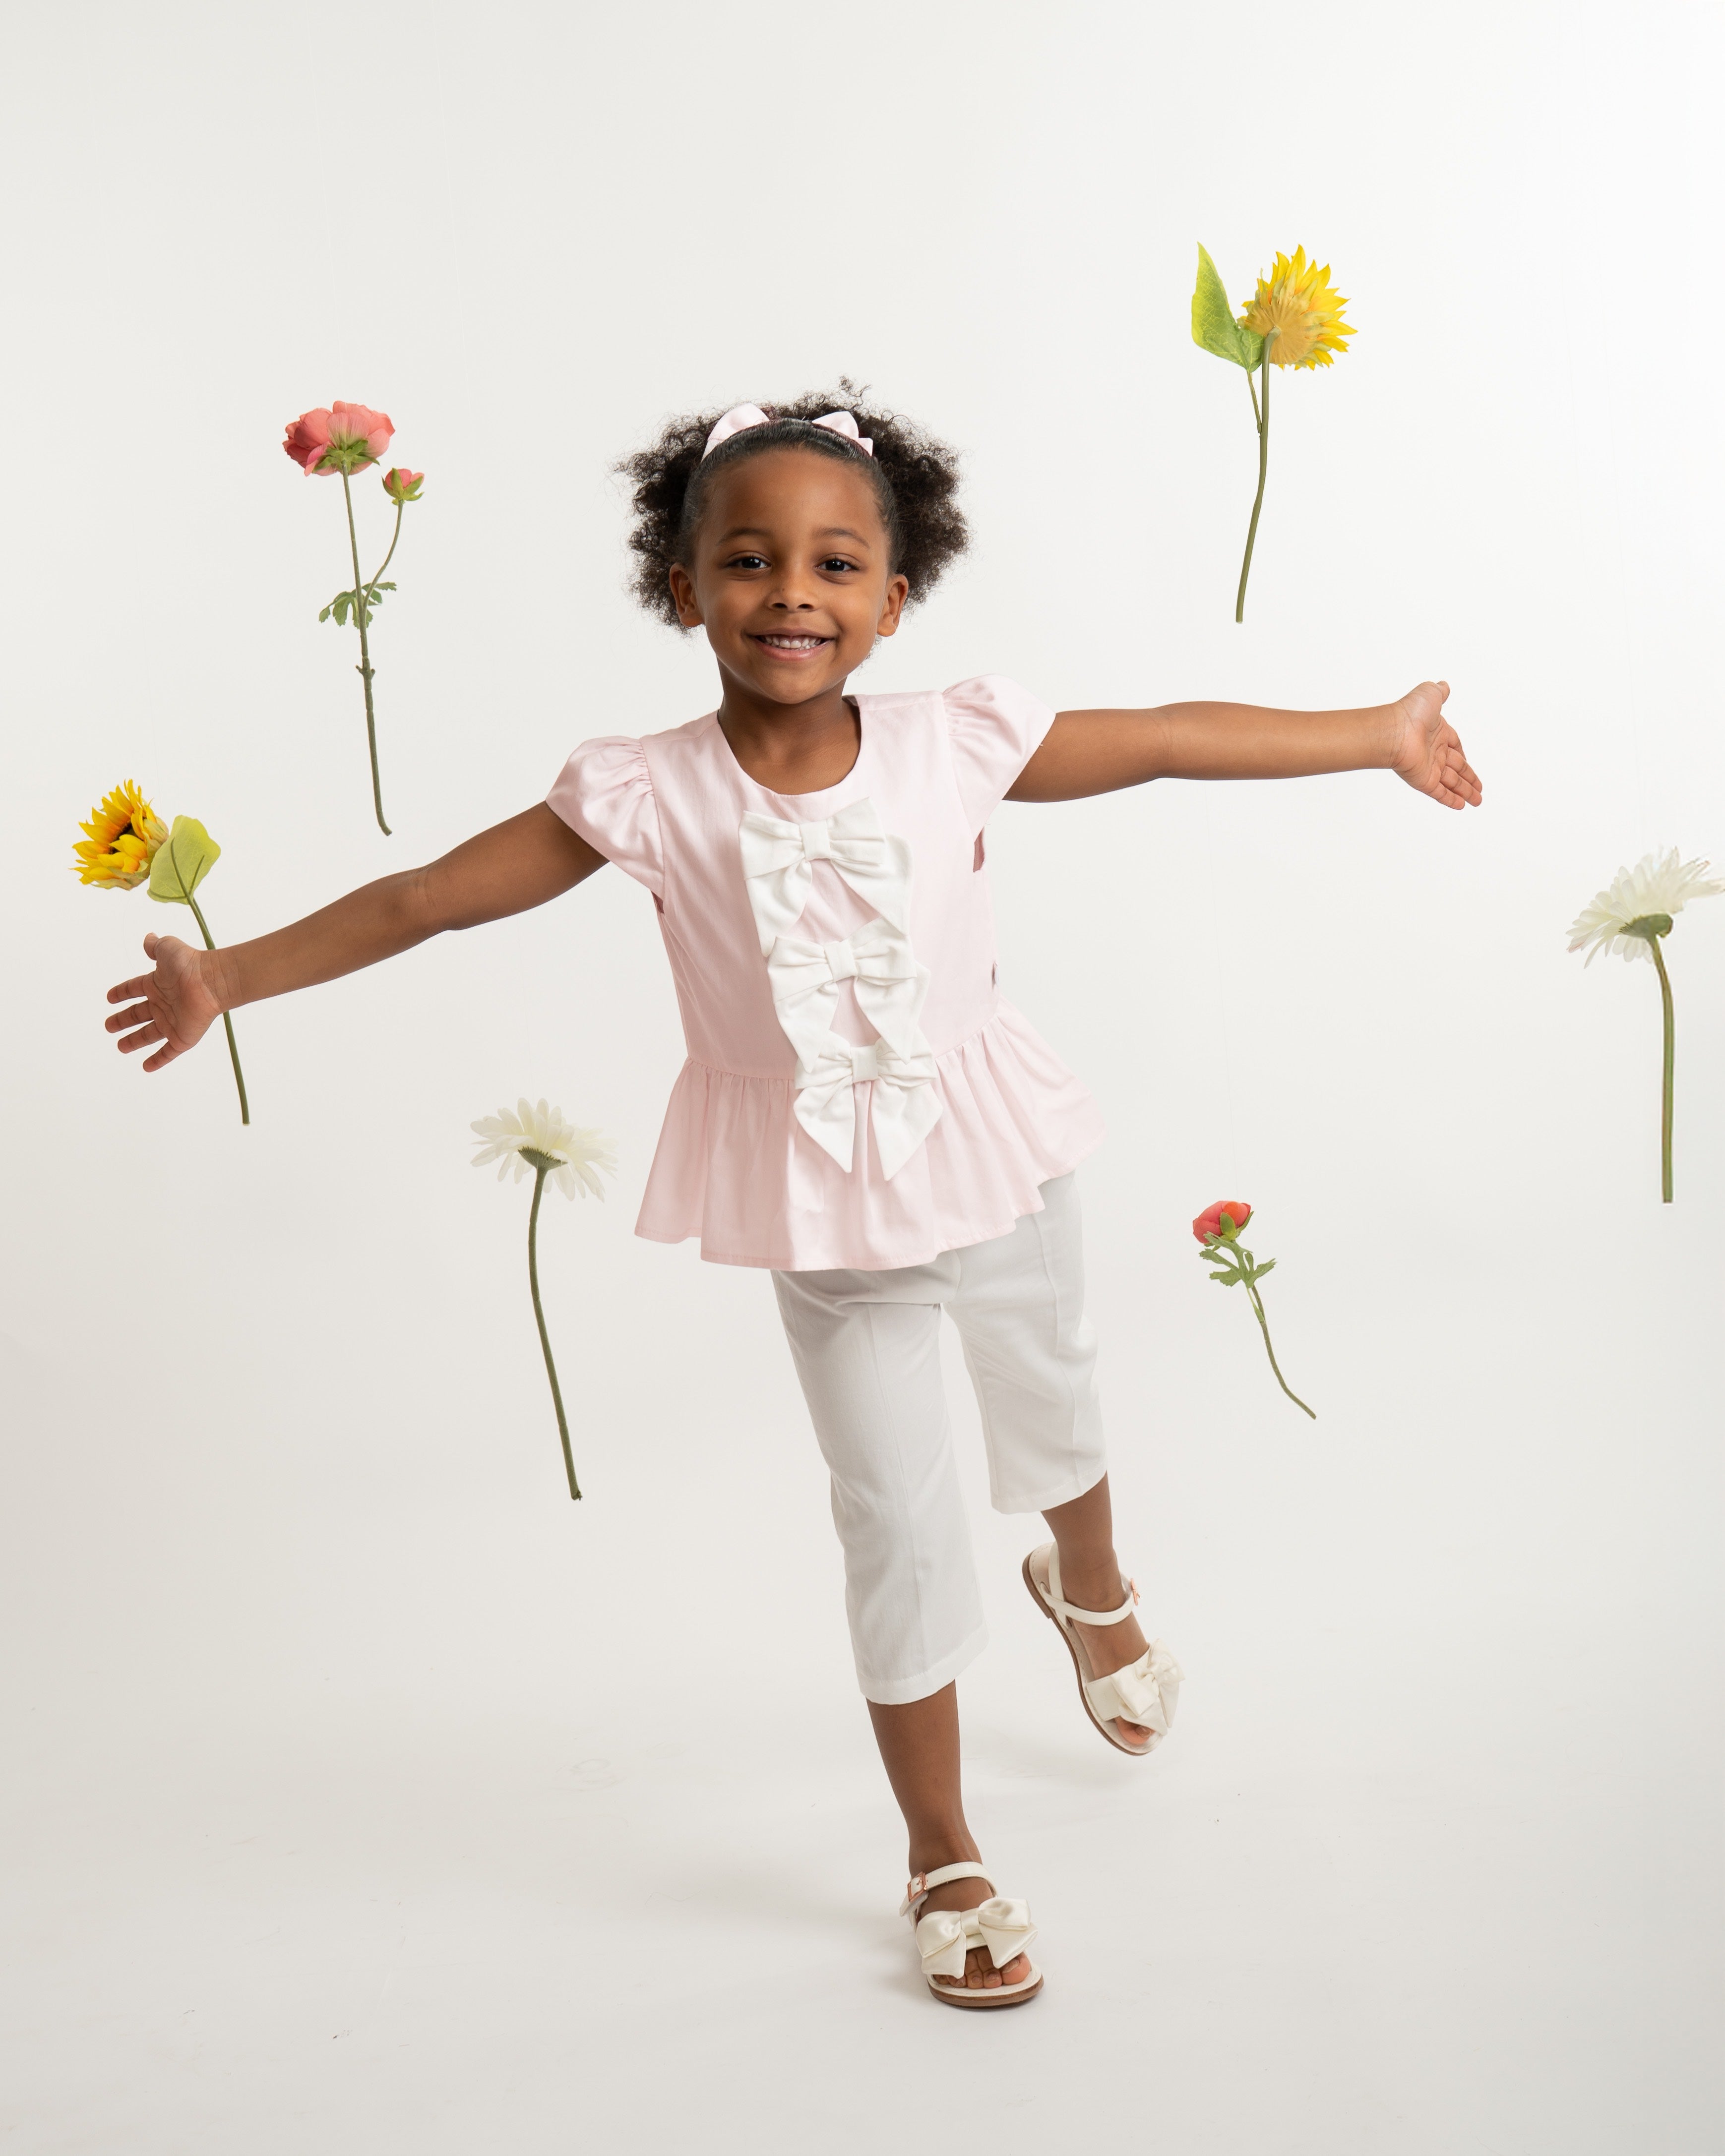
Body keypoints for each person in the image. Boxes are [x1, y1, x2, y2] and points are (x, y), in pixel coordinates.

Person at [103, 390, 1481, 2009]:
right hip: (819, 1198)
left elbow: (1171, 736)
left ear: (896, 596)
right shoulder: (646, 793)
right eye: (747, 560)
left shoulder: (952, 740)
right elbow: (428, 900)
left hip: (989, 1137)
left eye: (836, 562)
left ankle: (1091, 1591)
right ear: (681, 586)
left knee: (1055, 1384)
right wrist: (231, 975)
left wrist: (1374, 731)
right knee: (895, 1514)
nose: (791, 592)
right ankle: (942, 1848)